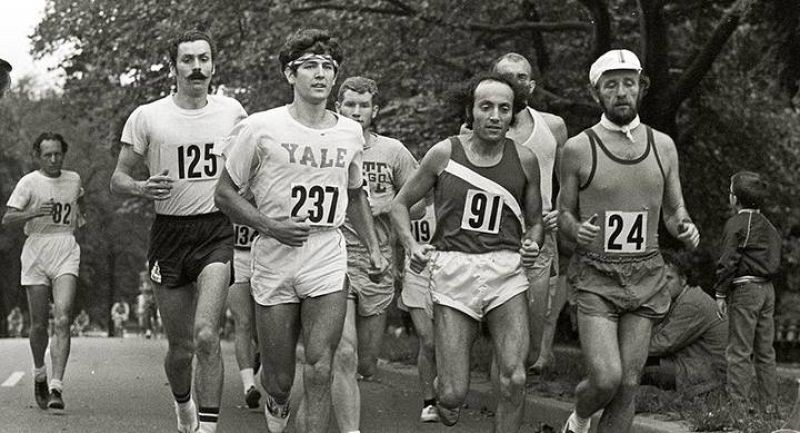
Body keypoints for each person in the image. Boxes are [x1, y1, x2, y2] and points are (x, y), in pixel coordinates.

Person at [214, 29, 388, 433]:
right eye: (309, 66)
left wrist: (374, 249)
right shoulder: (260, 127)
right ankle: (275, 402)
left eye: (328, 67)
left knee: (321, 364)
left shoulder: (349, 132)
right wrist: (269, 225)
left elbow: (356, 192)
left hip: (326, 252)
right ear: (290, 75)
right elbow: (223, 194)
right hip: (275, 256)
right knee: (278, 379)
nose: (320, 74)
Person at [389, 72, 545, 432]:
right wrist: (412, 246)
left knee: (514, 378)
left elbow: (535, 221)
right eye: (486, 107)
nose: (494, 116)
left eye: (504, 109)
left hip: (506, 271)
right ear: (471, 111)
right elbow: (400, 204)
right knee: (454, 394)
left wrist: (533, 241)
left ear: (513, 114)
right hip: (453, 270)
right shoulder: (444, 153)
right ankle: (444, 398)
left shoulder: (525, 160)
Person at [110, 29, 247, 433]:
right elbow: (117, 178)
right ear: (173, 69)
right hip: (169, 233)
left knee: (206, 335)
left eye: (203, 59)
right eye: (187, 60)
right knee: (182, 348)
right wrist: (140, 186)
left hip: (215, 232)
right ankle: (183, 404)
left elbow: (250, 167)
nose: (196, 68)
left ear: (214, 65)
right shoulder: (148, 116)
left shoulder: (232, 112)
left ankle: (207, 428)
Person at [557, 49, 700, 433]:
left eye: (629, 83)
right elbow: (564, 215)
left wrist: (685, 226)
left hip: (646, 274)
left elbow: (674, 211)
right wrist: (575, 230)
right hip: (596, 276)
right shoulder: (578, 148)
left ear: (640, 88)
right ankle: (580, 417)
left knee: (629, 383)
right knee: (605, 378)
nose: (621, 92)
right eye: (611, 85)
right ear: (596, 93)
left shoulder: (663, 146)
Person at [302, 76, 421, 433]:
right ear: (338, 107)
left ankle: (309, 409)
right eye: (349, 104)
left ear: (375, 111)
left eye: (363, 105)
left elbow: (419, 206)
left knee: (366, 363)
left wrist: (387, 205)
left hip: (378, 264)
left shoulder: (394, 152)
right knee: (344, 353)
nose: (356, 111)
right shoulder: (325, 147)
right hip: (332, 259)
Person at [491, 52, 568, 373]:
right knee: (504, 332)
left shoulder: (553, 126)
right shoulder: (483, 127)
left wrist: (561, 210)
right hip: (493, 238)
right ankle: (504, 406)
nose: (514, 82)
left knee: (532, 344)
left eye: (521, 77)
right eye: (506, 76)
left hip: (539, 238)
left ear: (531, 85)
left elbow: (568, 181)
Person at [3, 132, 86, 411]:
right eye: (48, 154)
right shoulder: (29, 182)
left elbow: (78, 202)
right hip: (37, 250)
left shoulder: (74, 179)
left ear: (64, 154)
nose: (53, 159)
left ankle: (56, 387)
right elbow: (8, 218)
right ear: (38, 156)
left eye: (58, 154)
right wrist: (34, 212)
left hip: (65, 247)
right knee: (39, 324)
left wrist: (79, 217)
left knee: (62, 318)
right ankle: (40, 372)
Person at [713, 170, 781, 414]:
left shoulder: (737, 223)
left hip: (746, 289)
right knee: (765, 351)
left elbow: (727, 261)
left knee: (739, 351)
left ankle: (739, 410)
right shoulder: (770, 226)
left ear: (735, 199)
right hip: (768, 291)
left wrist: (721, 293)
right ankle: (770, 407)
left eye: (730, 193)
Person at [643, 255, 727, 397]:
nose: (662, 285)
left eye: (669, 278)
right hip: (700, 366)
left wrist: (626, 351)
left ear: (683, 280)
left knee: (638, 368)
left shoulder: (691, 303)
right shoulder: (682, 299)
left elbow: (663, 344)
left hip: (710, 374)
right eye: (659, 279)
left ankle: (616, 404)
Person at [397, 196, 440, 422]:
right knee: (429, 340)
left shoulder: (451, 197)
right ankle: (429, 402)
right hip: (415, 276)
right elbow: (397, 236)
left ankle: (444, 384)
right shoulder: (408, 202)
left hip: (446, 276)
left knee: (445, 341)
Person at [227, 197, 261, 409]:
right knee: (243, 322)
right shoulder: (229, 170)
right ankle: (249, 386)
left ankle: (259, 355)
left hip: (266, 256)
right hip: (236, 254)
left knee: (265, 328)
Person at [136, 270, 159, 339]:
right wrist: (144, 290)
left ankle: (156, 330)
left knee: (155, 315)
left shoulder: (155, 275)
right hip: (146, 299)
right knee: (147, 314)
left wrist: (149, 289)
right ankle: (148, 330)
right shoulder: (143, 277)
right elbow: (140, 288)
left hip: (155, 298)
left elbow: (156, 288)